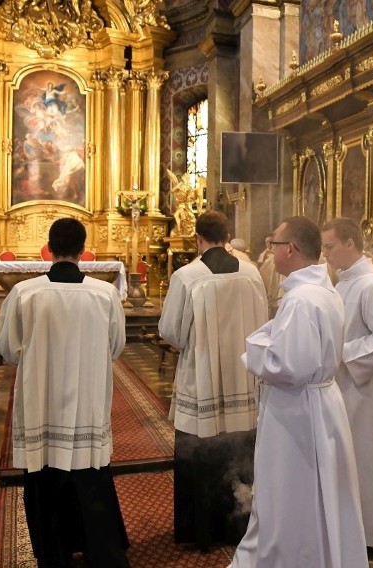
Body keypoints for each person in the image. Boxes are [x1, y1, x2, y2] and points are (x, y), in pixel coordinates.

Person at [230, 216, 367, 567]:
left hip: (297, 411)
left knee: (289, 493)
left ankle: (291, 557)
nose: (270, 250)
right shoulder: (322, 292)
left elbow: (288, 365)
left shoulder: (302, 300)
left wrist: (254, 347)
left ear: (289, 249)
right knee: (317, 492)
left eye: (274, 244)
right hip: (319, 404)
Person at [0, 218, 130, 568]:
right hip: (87, 403)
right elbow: (115, 347)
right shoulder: (105, 294)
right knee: (90, 477)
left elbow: (8, 347)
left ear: (49, 248)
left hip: (42, 405)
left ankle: (53, 553)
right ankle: (100, 549)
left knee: (46, 479)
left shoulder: (25, 293)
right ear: (83, 250)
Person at [158, 211, 268, 551]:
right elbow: (264, 322)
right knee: (238, 453)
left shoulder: (187, 276)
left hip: (201, 380)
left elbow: (171, 332)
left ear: (198, 238)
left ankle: (200, 532)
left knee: (201, 454)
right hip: (242, 378)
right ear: (227, 234)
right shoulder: (251, 272)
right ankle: (239, 527)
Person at [321, 218, 373, 553]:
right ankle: (350, 531)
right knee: (347, 460)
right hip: (344, 384)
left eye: (329, 246)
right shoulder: (343, 284)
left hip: (362, 387)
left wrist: (341, 355)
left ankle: (372, 536)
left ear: (351, 244)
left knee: (365, 459)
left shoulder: (370, 285)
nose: (325, 254)